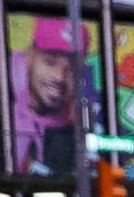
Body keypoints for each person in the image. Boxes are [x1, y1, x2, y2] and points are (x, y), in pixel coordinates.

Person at [11, 17, 82, 176]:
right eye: (49, 62)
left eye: (70, 69)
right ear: (29, 56)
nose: (59, 77)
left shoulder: (72, 138)